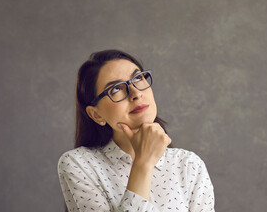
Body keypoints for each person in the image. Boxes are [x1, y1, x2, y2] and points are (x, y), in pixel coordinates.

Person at [57, 49, 215, 211]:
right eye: (116, 89)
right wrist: (143, 163)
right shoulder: (79, 164)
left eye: (138, 78)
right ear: (96, 114)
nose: (136, 93)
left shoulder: (189, 164)